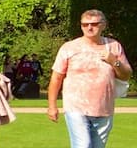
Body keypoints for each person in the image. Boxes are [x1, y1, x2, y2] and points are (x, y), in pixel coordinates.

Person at [47, 9, 131, 148]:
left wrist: (114, 61)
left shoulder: (113, 46)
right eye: (85, 24)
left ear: (103, 25)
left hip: (104, 109)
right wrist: (52, 106)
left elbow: (126, 75)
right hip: (76, 107)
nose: (89, 28)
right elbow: (56, 78)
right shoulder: (69, 48)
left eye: (94, 24)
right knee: (83, 145)